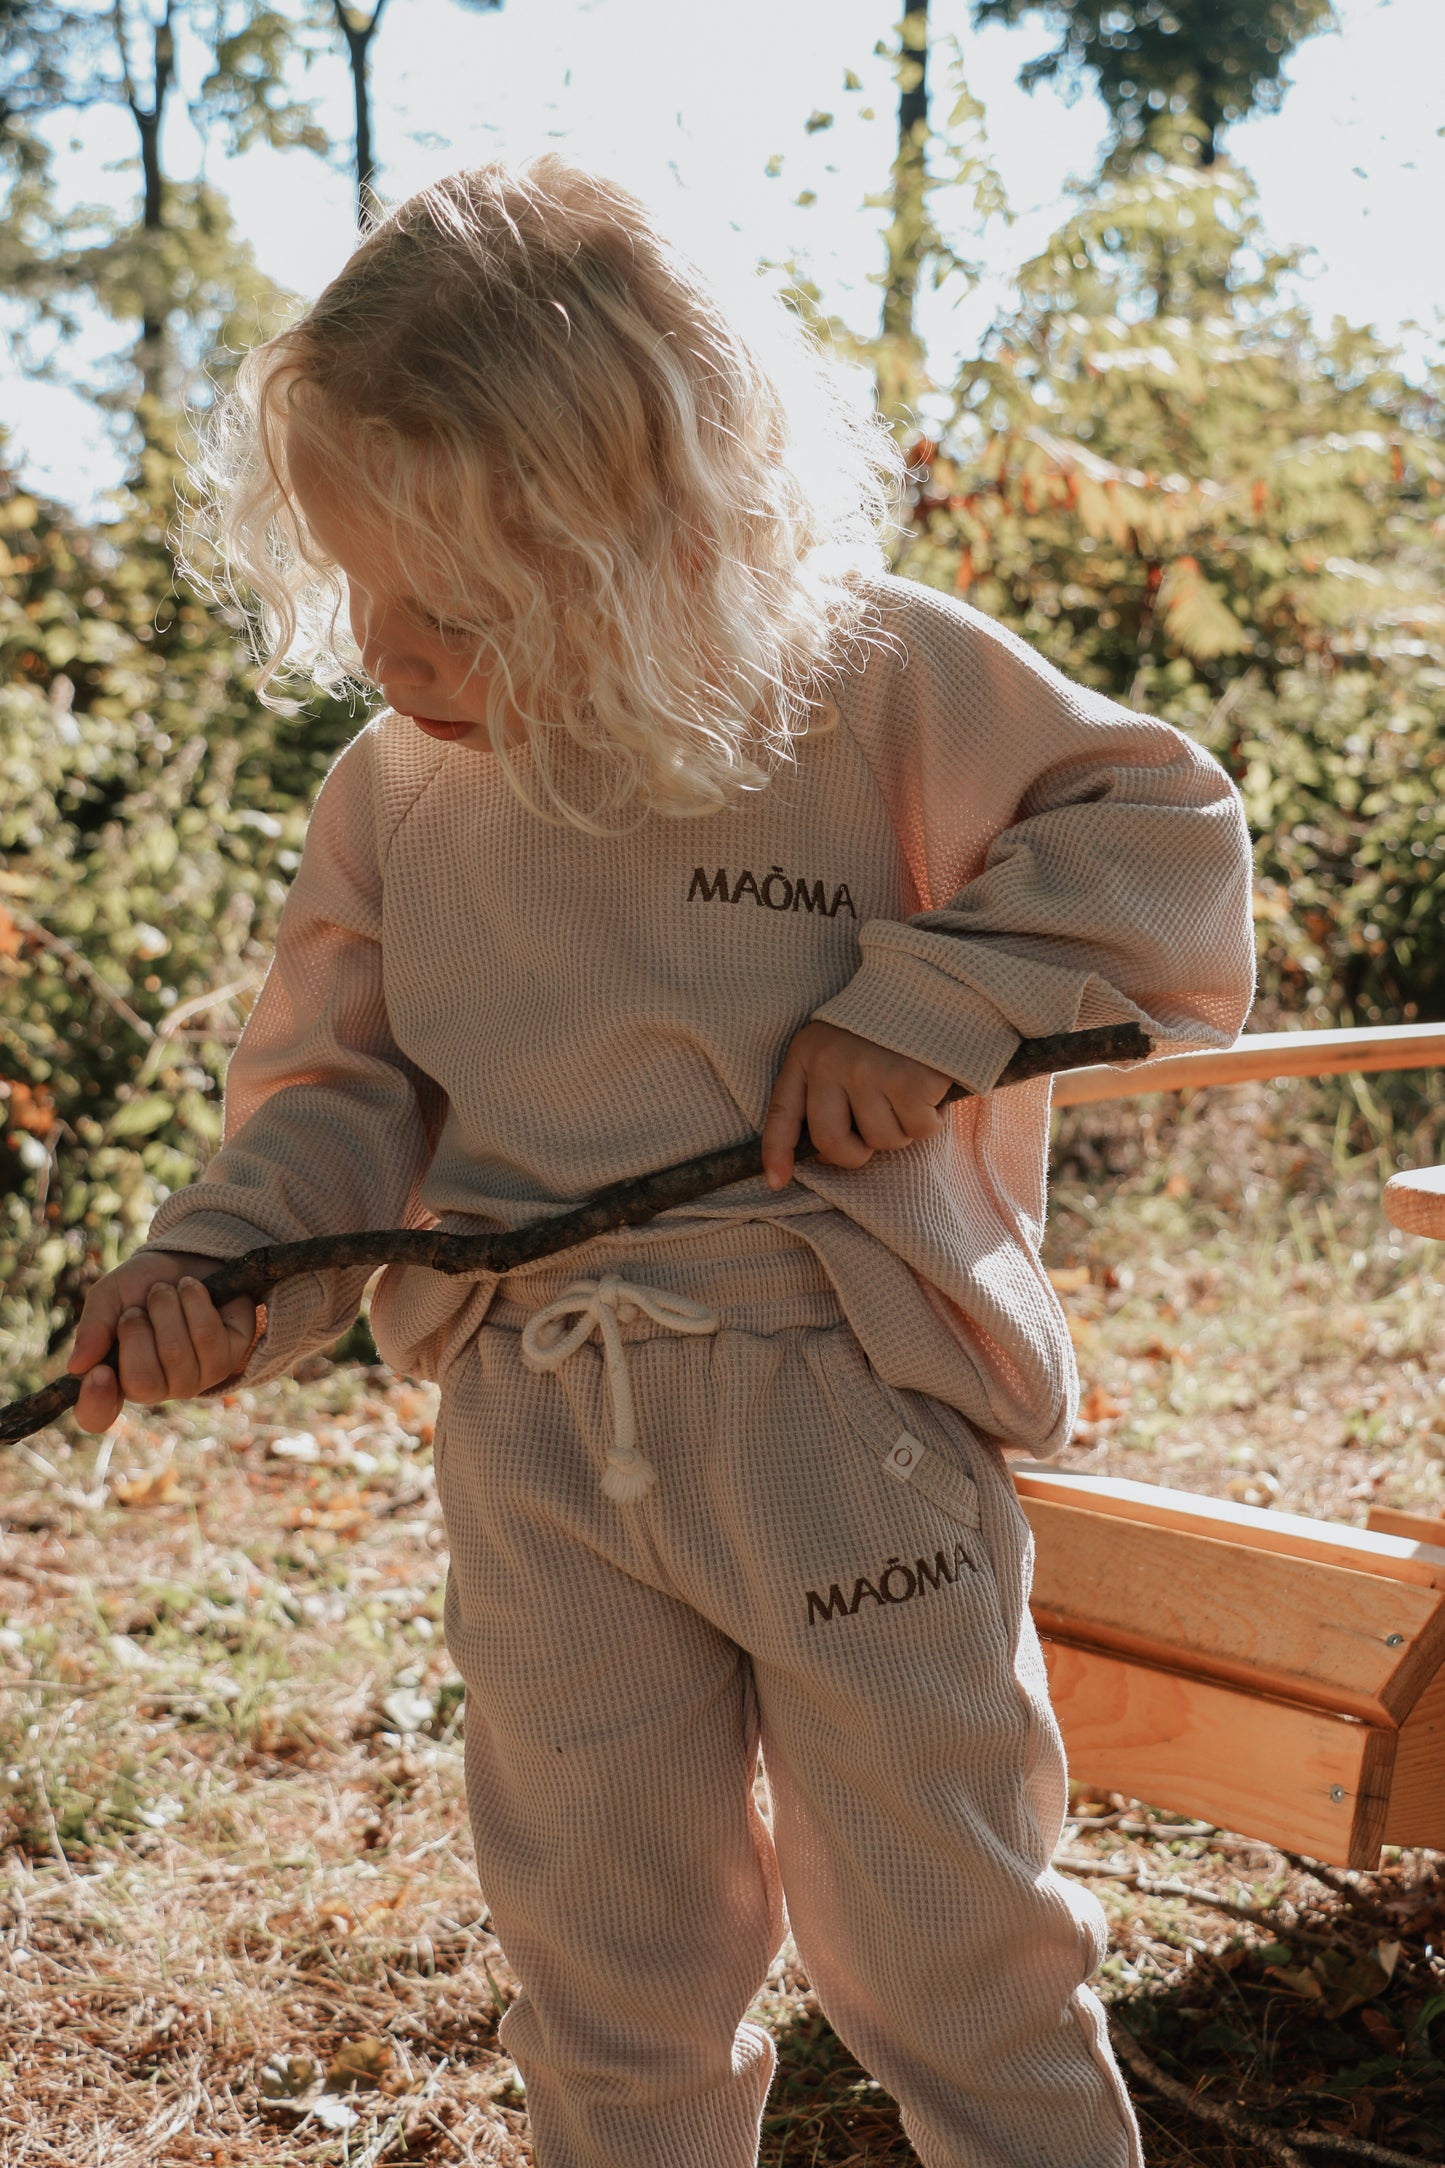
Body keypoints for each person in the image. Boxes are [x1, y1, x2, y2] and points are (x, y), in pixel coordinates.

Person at [67, 156, 1255, 2168]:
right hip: (542, 1436)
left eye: (446, 606)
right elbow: (334, 1107)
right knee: (604, 1956)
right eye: (357, 585)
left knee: (952, 1944)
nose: (381, 648)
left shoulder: (863, 680)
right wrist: (218, 1273)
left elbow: (1158, 833)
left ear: (641, 539)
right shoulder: (395, 796)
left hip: (842, 1395)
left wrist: (929, 1002)